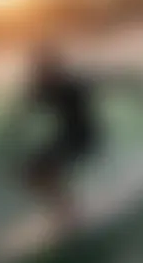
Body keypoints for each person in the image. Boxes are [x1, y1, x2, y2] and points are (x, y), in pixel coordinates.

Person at [11, 40, 101, 231]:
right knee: (30, 173)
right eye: (39, 68)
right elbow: (23, 113)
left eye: (45, 67)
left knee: (44, 171)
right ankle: (63, 214)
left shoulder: (71, 84)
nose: (41, 72)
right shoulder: (42, 88)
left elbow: (109, 82)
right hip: (67, 137)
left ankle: (71, 216)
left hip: (85, 137)